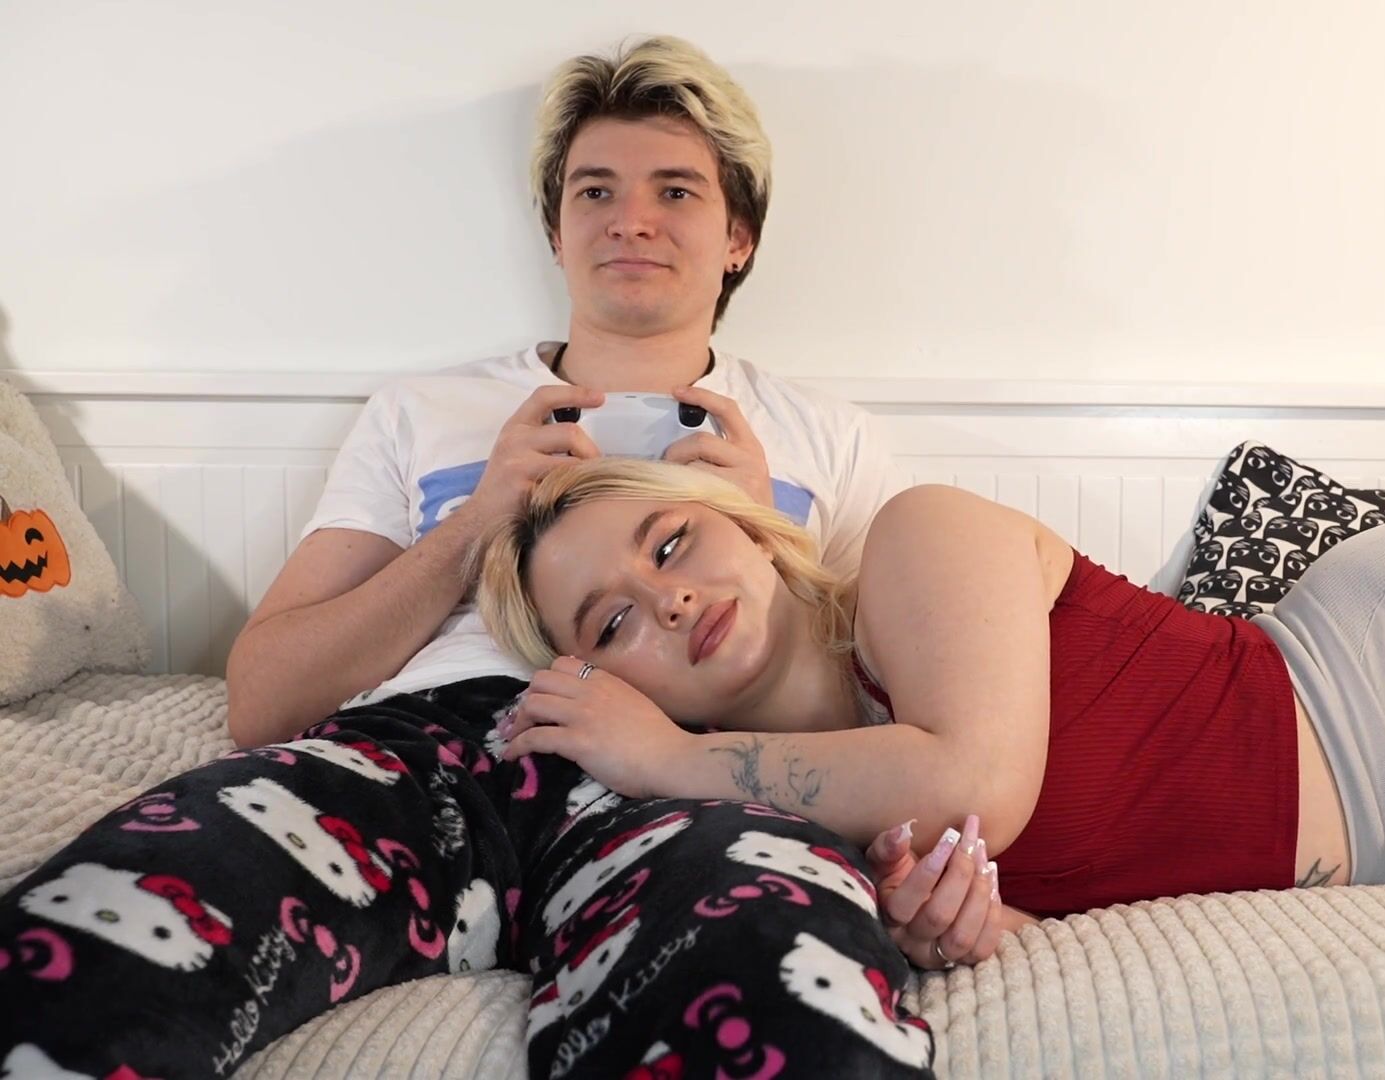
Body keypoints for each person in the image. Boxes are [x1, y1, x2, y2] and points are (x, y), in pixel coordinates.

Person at [0, 37, 940, 1079]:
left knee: (785, 1001)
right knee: (103, 928)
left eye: (675, 191)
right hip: (430, 756)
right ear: (555, 231)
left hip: (703, 780)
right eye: (594, 191)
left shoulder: (829, 439)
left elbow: (900, 718)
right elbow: (262, 699)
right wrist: (471, 530)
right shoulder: (426, 410)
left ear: (738, 238)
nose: (630, 219)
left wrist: (765, 544)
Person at [474, 456, 1385, 997]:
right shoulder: (802, 828)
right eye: (611, 622)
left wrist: (662, 760)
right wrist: (964, 935)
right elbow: (1079, 904)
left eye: (670, 542)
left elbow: (983, 777)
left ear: (743, 524)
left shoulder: (917, 540)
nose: (668, 599)